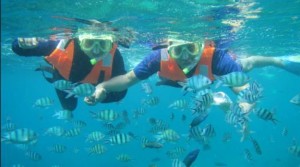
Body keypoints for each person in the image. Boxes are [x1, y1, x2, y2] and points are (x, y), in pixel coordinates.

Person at [84, 38, 300, 108]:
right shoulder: (156, 58)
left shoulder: (217, 57)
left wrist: (245, 101)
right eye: (179, 49)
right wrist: (101, 87)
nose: (186, 55)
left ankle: (277, 61)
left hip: (213, 76)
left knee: (246, 64)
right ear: (168, 48)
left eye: (192, 48)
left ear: (201, 46)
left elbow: (239, 85)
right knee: (162, 77)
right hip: (181, 80)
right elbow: (129, 79)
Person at [12, 33, 128, 111]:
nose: (96, 50)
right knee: (69, 107)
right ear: (79, 40)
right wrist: (21, 43)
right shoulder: (63, 45)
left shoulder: (114, 57)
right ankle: (53, 70)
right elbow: (18, 48)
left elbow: (122, 90)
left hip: (94, 87)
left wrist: (102, 97)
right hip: (63, 79)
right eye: (89, 43)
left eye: (103, 44)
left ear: (110, 44)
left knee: (70, 107)